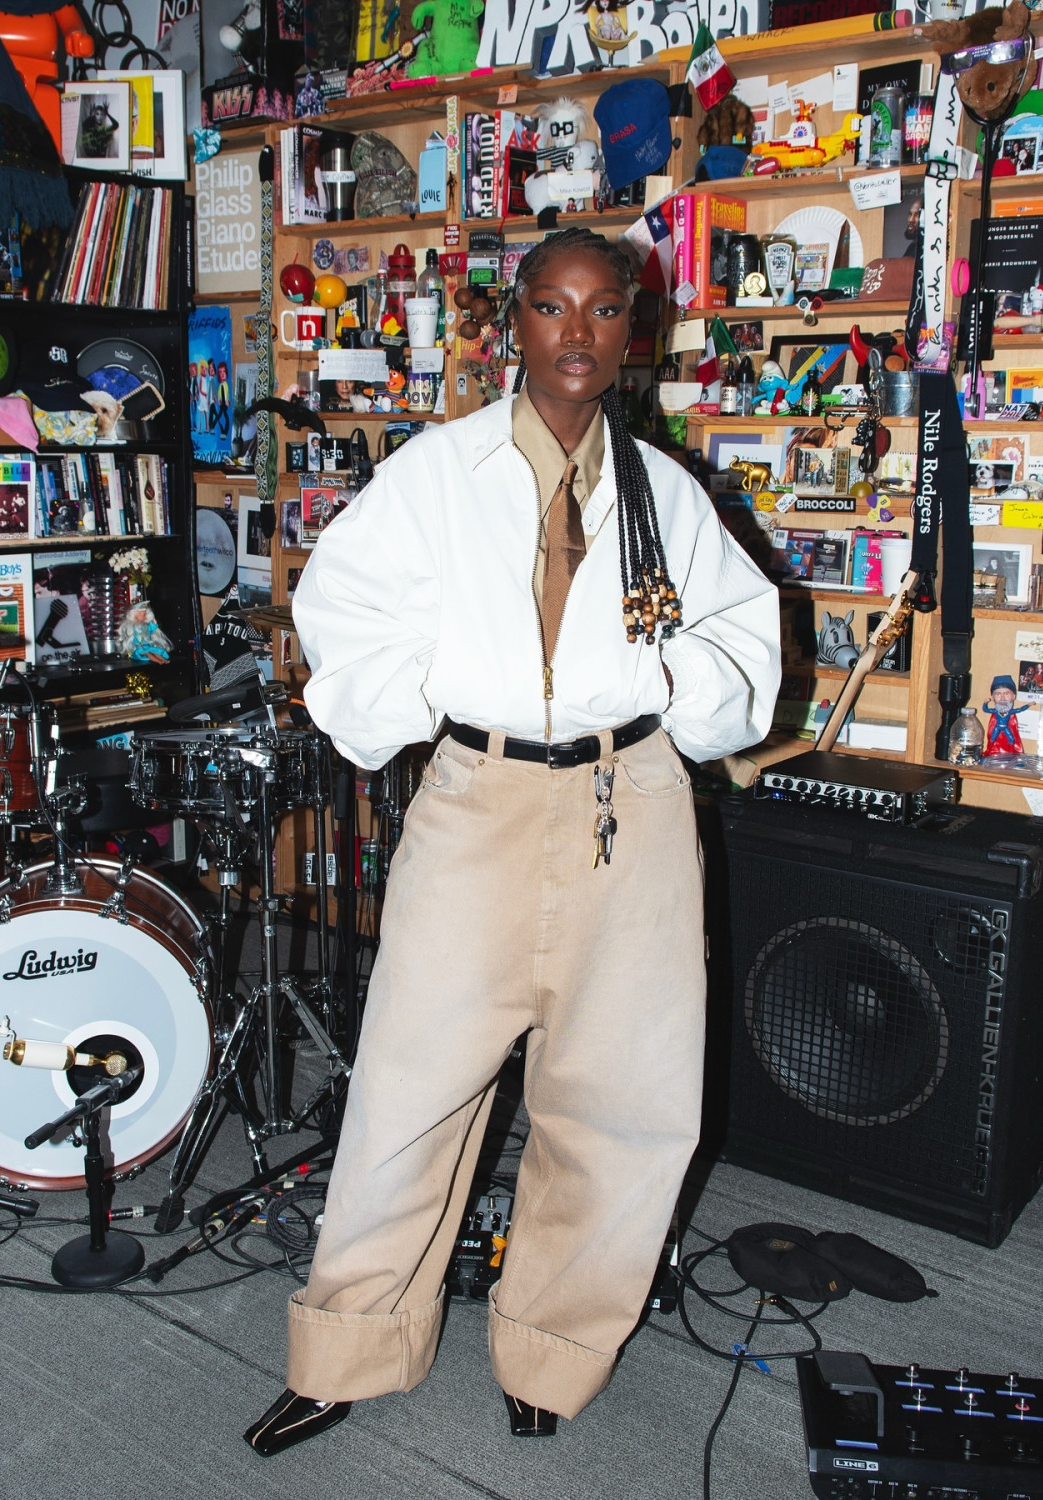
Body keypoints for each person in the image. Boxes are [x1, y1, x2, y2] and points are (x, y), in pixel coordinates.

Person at [245, 227, 781, 1456]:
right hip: (478, 798)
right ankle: (351, 1343)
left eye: (604, 310)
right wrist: (430, 682)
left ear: (633, 331)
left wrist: (665, 671)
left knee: (622, 1102)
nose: (576, 333)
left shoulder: (667, 495)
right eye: (551, 306)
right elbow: (340, 607)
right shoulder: (437, 473)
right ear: (513, 326)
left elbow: (743, 657)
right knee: (409, 1089)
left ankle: (553, 1345)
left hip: (631, 803)